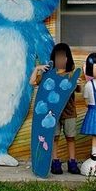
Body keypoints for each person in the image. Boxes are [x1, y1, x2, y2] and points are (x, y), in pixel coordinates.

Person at [30, 43, 81, 174]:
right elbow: (32, 82)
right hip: (51, 114)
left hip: (69, 112)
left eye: (63, 57)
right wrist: (37, 69)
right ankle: (55, 162)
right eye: (58, 57)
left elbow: (78, 89)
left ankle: (72, 162)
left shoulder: (71, 74)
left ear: (68, 58)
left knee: (70, 137)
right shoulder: (48, 75)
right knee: (54, 137)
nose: (60, 60)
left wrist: (77, 83)